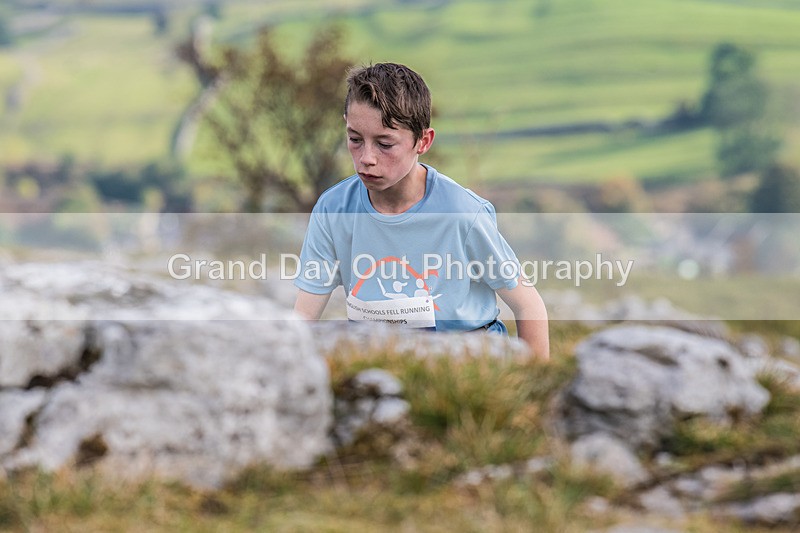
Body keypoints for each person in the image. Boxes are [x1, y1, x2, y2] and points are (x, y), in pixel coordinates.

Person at [293, 62, 549, 361]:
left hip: (469, 365)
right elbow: (303, 318)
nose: (367, 158)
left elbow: (528, 304)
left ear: (423, 142)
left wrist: (533, 386)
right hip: (382, 362)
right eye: (355, 139)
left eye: (385, 144)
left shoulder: (463, 214)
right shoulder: (332, 209)